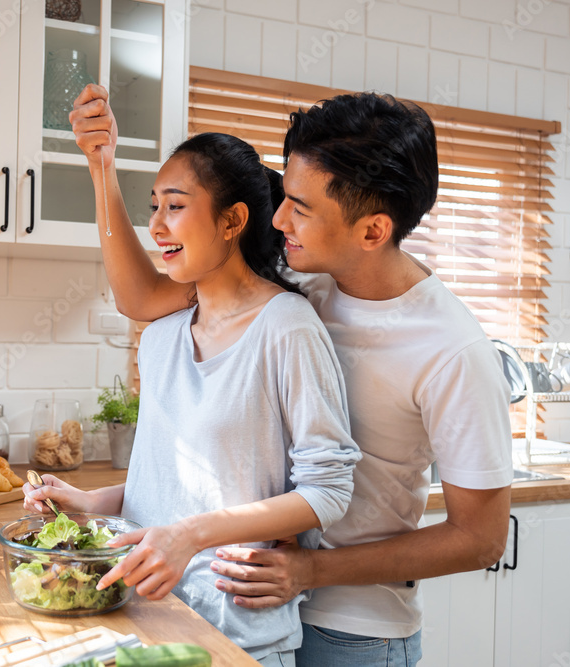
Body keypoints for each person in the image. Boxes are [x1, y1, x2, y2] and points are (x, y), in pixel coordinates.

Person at [62, 84, 514, 667]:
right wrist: (102, 168)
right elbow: (145, 295)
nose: (278, 217)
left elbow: (480, 539)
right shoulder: (302, 283)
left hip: (356, 630)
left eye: (301, 207)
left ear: (372, 231)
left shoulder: (452, 351)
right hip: (252, 606)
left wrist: (309, 569)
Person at [23, 131, 361, 666]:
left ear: (232, 221)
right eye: (153, 207)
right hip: (144, 616)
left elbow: (329, 492)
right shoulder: (161, 338)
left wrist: (190, 537)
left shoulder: (287, 328)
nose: (156, 224)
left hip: (238, 632)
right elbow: (183, 486)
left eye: (176, 207)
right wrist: (95, 502)